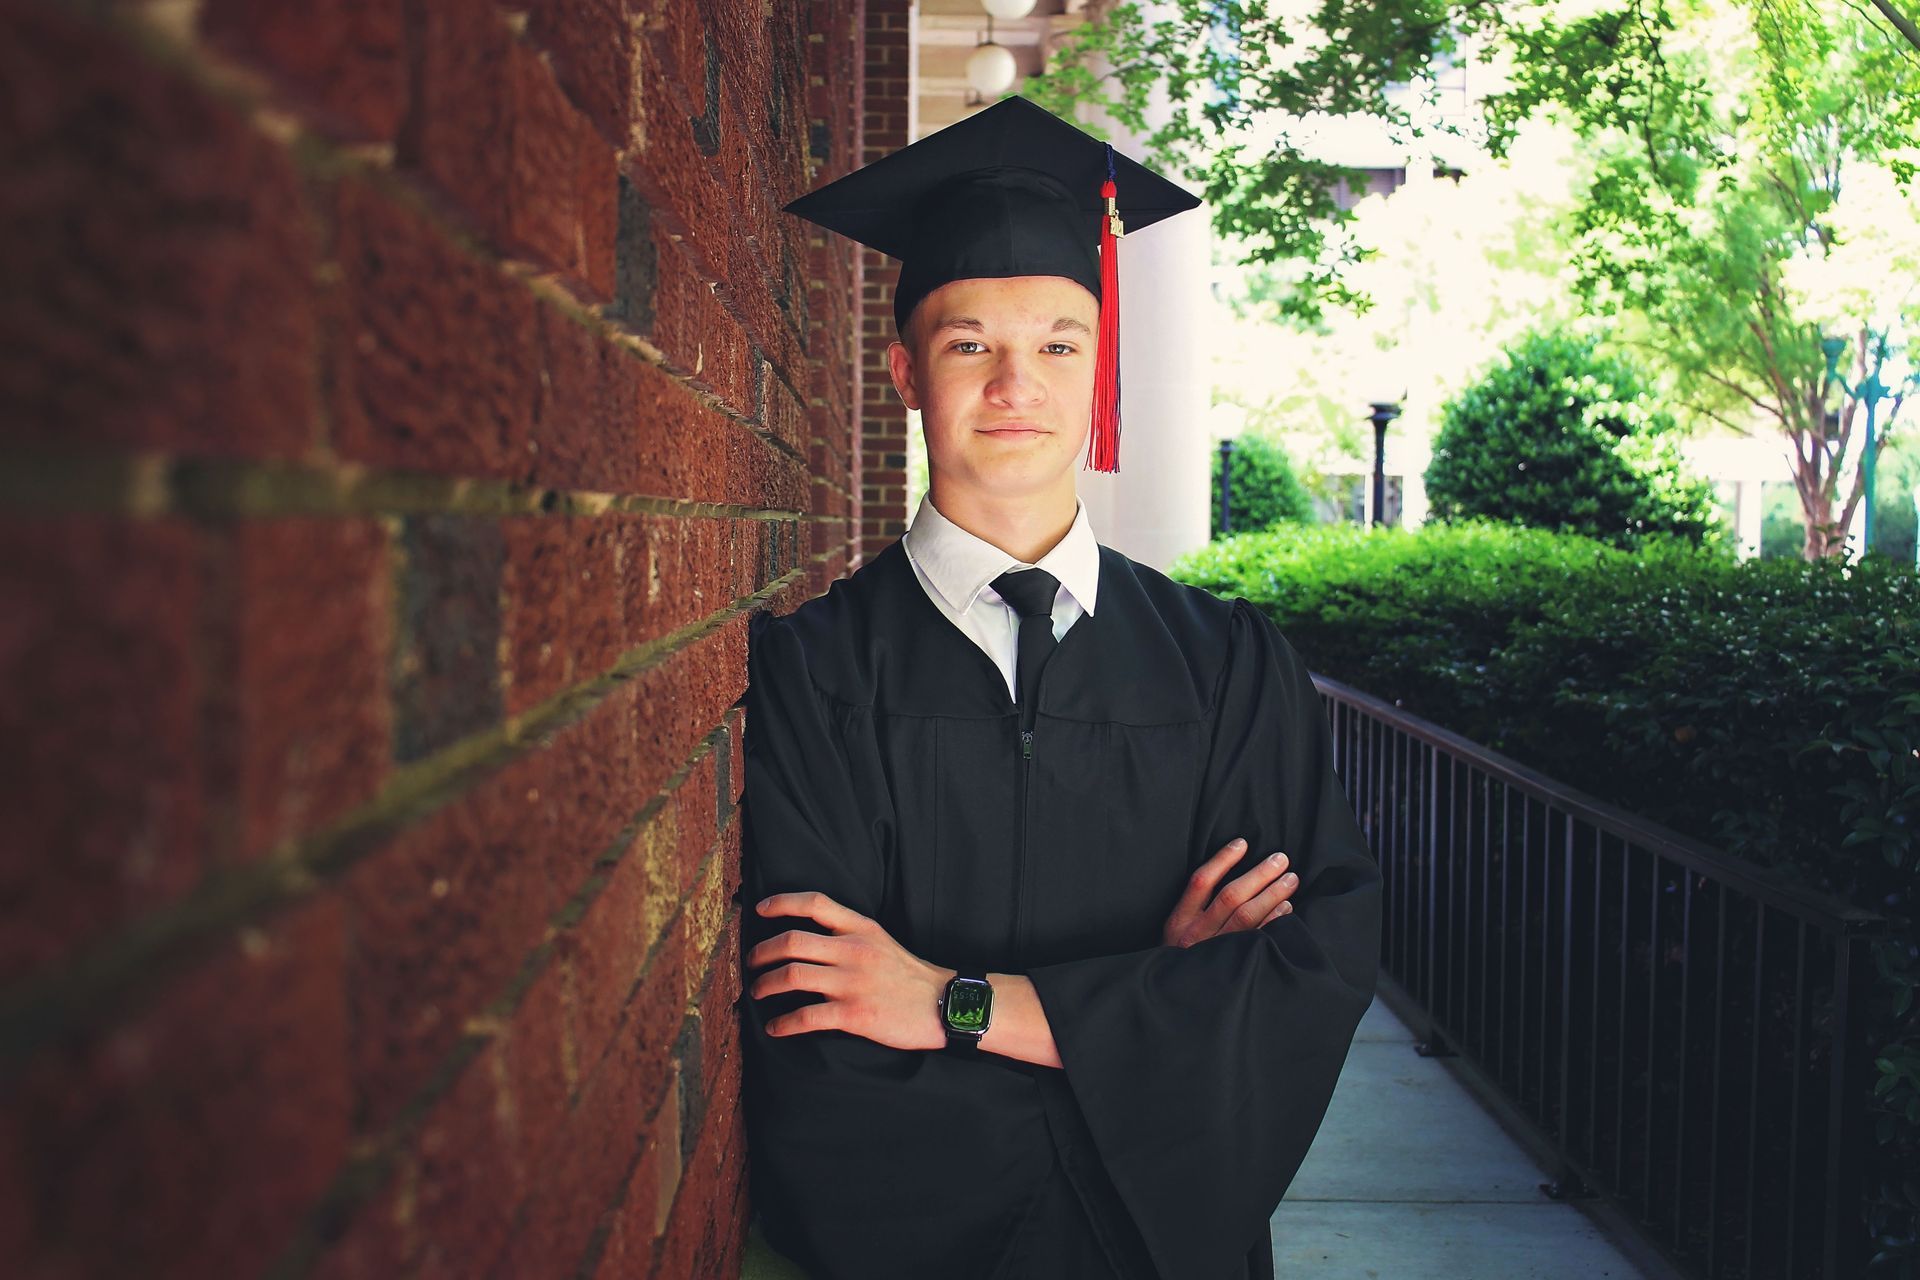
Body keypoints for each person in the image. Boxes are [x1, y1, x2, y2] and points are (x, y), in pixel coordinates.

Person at [736, 95, 1382, 1280]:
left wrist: (952, 1002)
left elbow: (1302, 975)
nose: (1015, 382)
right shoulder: (814, 669)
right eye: (969, 343)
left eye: (1057, 343)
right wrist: (1154, 1013)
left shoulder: (1231, 666)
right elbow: (814, 1032)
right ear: (905, 373)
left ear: (1100, 370)